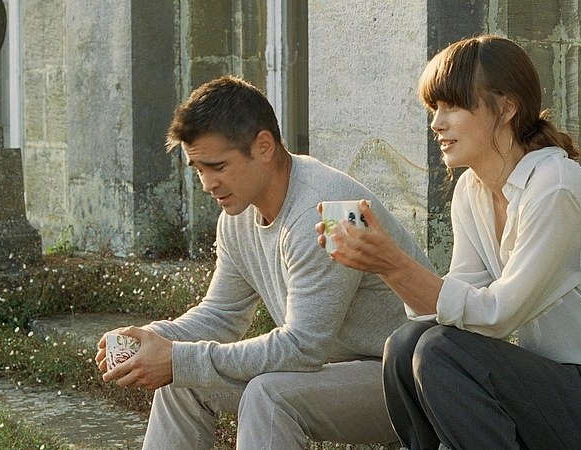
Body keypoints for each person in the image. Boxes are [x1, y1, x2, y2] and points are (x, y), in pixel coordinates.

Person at [317, 35, 581, 449]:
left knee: (437, 351)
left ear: (506, 108)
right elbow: (455, 310)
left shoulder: (555, 188)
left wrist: (393, 262)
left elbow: (497, 315)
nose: (437, 123)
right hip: (561, 397)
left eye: (453, 106)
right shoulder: (472, 191)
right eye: (434, 108)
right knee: (404, 346)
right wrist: (380, 264)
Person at [94, 75, 435, 449]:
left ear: (264, 146)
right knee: (182, 382)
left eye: (217, 166)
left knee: (266, 393)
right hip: (335, 372)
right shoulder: (237, 217)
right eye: (198, 169)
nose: (207, 184)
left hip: (408, 380)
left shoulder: (326, 212)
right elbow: (221, 315)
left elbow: (302, 349)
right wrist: (153, 339)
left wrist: (178, 358)